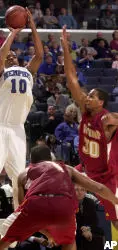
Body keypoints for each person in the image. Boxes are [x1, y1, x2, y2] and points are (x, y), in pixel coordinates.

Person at [0, 8, 43, 245]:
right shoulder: (0, 73)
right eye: (9, 55)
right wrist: (14, 32)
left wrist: (32, 26)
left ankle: (13, 224)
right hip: (1, 127)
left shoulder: (27, 72)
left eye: (15, 55)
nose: (12, 56)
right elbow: (1, 55)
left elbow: (40, 55)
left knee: (18, 179)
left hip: (17, 129)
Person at [0, 144, 118, 250]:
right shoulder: (66, 168)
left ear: (31, 162)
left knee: (1, 242)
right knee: (70, 242)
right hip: (63, 207)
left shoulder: (23, 174)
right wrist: (115, 201)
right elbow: (99, 188)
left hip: (35, 205)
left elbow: (24, 209)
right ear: (51, 159)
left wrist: (47, 234)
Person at [61, 25, 118, 229]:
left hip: (106, 175)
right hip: (85, 170)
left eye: (92, 96)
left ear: (101, 103)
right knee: (57, 181)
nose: (88, 98)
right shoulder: (85, 110)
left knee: (115, 219)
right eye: (89, 95)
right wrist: (65, 47)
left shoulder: (106, 119)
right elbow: (71, 78)